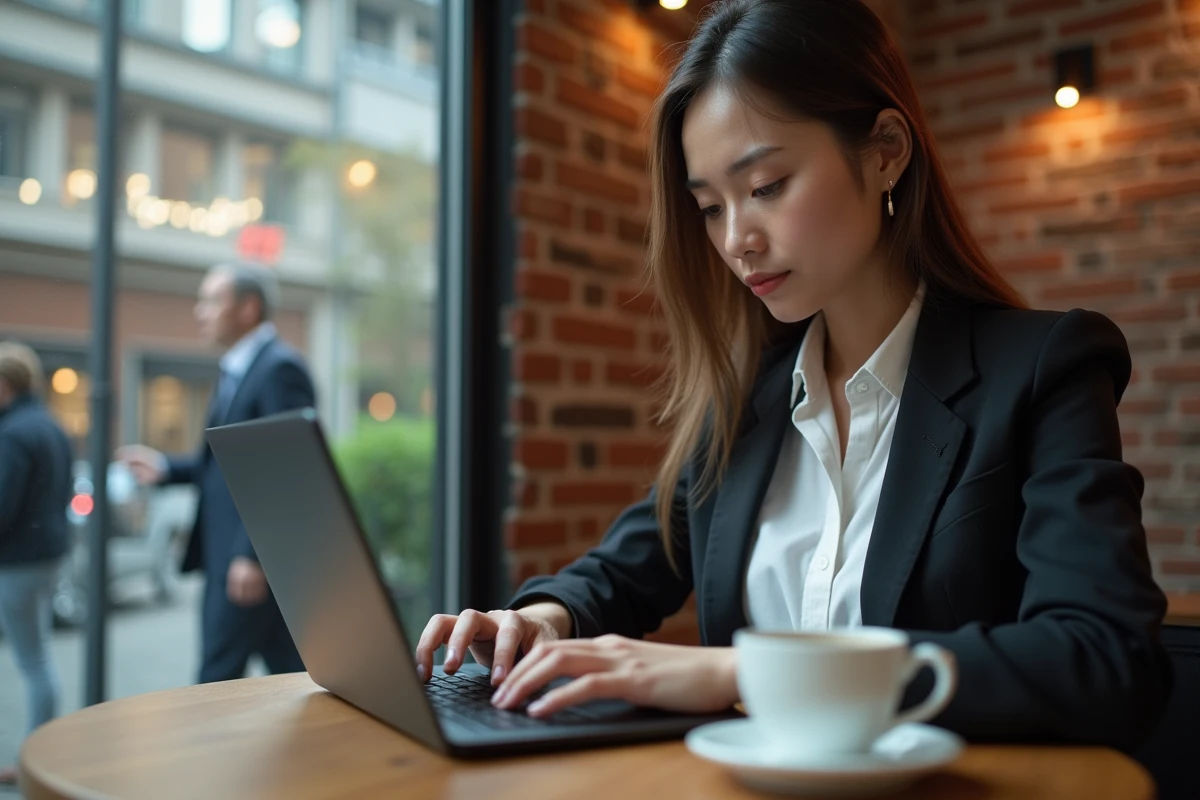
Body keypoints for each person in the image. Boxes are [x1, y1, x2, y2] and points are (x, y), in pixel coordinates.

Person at [414, 0, 1171, 749]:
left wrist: (740, 673)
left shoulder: (1044, 370)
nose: (737, 239)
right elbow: (629, 568)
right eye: (709, 206)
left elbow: (1104, 659)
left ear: (884, 151)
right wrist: (541, 619)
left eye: (766, 186)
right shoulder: (750, 400)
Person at [119, 262, 315, 684]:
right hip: (232, 557)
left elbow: (287, 468)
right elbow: (233, 463)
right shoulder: (239, 369)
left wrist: (251, 554)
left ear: (248, 308)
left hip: (244, 560)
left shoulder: (279, 368)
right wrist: (166, 467)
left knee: (216, 679)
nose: (199, 311)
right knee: (296, 676)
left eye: (211, 300)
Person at [0, 342, 72, 785]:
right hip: (47, 556)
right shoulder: (49, 425)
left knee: (32, 660)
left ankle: (35, 763)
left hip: (18, 562)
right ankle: (39, 759)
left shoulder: (13, 433)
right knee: (38, 657)